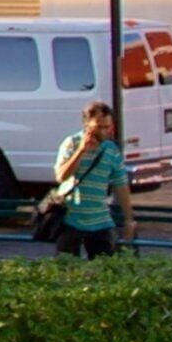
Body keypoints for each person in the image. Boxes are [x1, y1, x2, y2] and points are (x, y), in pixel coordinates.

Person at [44, 102, 127, 259]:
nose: (104, 131)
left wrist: (129, 219)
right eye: (99, 127)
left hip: (100, 219)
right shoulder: (72, 143)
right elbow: (61, 176)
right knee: (66, 267)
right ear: (87, 125)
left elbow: (121, 184)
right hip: (70, 217)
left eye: (107, 127)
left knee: (105, 268)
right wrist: (81, 150)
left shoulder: (111, 149)